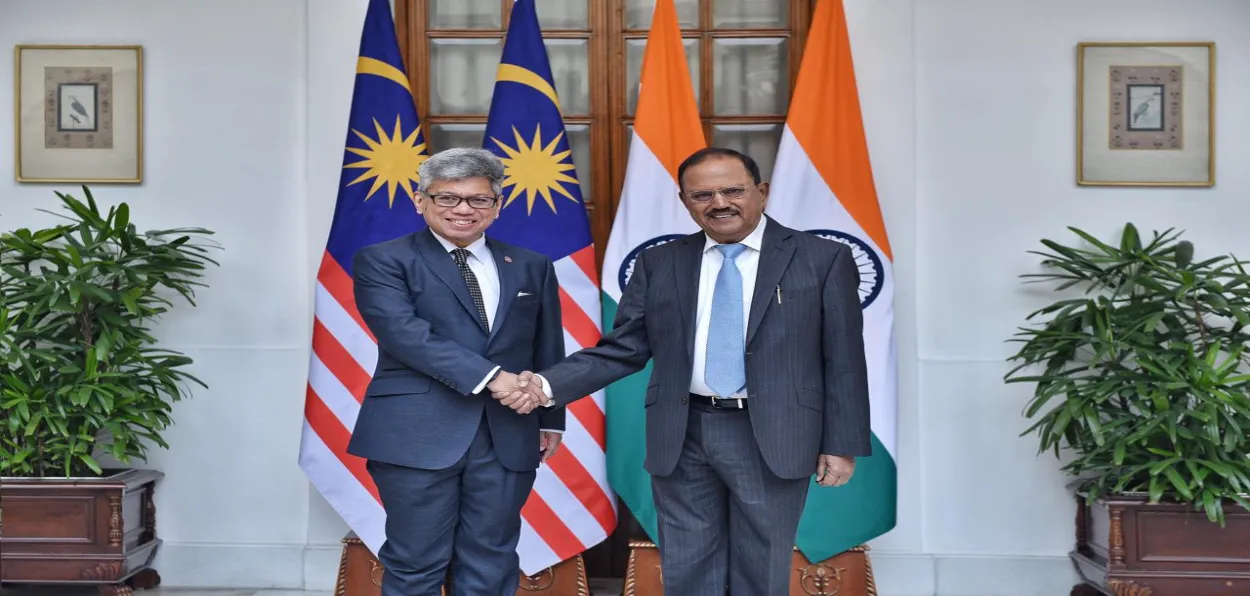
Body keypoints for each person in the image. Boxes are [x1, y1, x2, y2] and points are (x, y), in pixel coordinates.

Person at [496, 147, 873, 595]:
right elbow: (624, 350)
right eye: (702, 194)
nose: (719, 203)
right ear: (684, 201)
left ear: (762, 192)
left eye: (733, 190)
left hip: (774, 431)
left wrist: (841, 442)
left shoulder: (822, 258)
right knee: (688, 567)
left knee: (762, 566)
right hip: (684, 431)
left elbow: (844, 357)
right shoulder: (661, 263)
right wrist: (543, 385)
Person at [346, 147, 565, 596]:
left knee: (492, 561)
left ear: (496, 206)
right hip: (416, 435)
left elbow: (547, 345)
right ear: (420, 200)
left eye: (477, 199)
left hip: (508, 433)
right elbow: (405, 334)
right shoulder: (384, 259)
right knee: (414, 563)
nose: (463, 209)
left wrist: (549, 417)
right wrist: (494, 378)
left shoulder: (531, 265)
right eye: (447, 198)